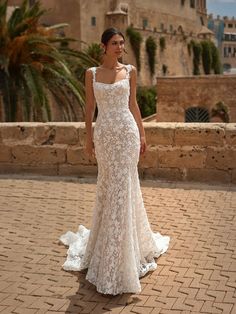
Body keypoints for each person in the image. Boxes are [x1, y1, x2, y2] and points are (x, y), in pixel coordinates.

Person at [59, 27, 170, 295]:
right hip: (105, 136)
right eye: (114, 43)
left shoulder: (129, 71)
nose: (119, 47)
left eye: (121, 43)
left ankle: (124, 255)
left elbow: (133, 104)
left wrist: (142, 134)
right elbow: (89, 109)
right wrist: (89, 139)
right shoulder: (92, 74)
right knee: (110, 188)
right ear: (103, 46)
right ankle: (108, 247)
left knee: (125, 187)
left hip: (127, 135)